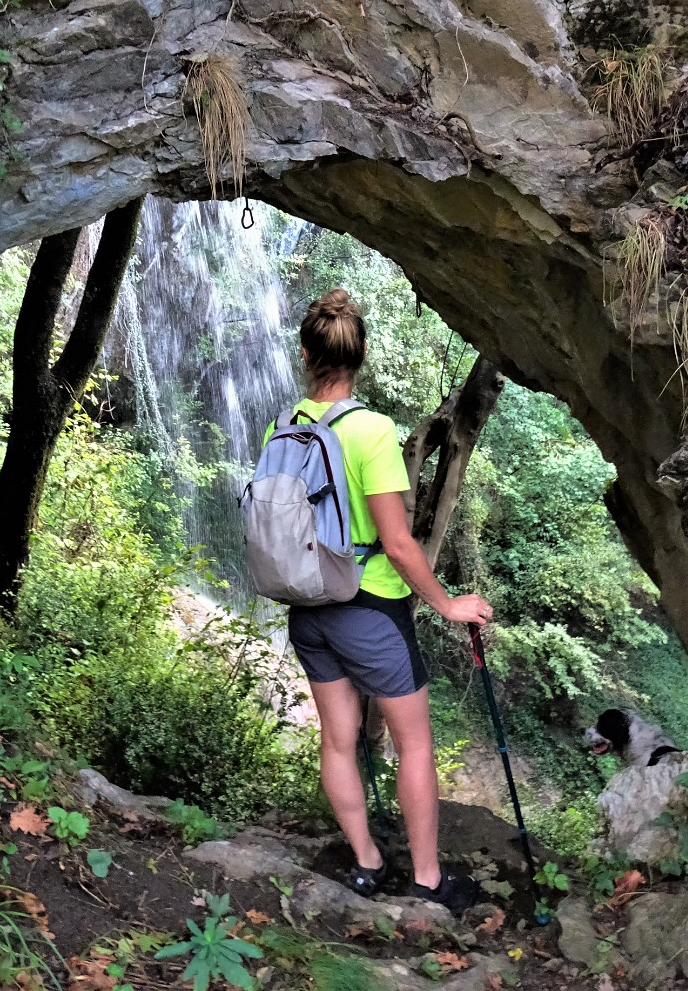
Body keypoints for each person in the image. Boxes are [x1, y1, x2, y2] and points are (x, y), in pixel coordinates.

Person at [272, 287, 492, 909]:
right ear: (360, 354)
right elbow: (397, 544)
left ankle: (367, 862)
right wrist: (449, 604)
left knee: (338, 740)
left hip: (308, 609)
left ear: (307, 352)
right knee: (414, 743)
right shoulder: (370, 430)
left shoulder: (283, 426)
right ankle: (426, 881)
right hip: (369, 609)